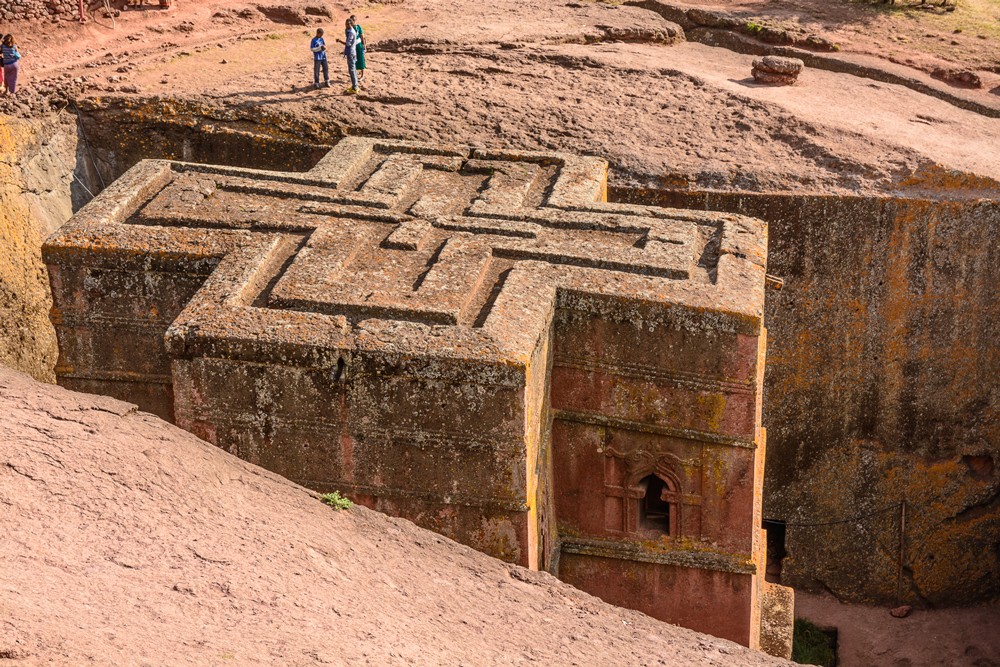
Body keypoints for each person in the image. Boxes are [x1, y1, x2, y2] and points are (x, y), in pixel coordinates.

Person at [342, 17, 359, 94]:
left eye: (348, 24)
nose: (346, 25)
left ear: (351, 24)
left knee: (351, 70)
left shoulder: (351, 32)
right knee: (353, 69)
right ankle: (355, 86)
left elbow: (348, 44)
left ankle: (355, 87)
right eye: (346, 24)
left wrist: (339, 41)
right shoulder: (351, 31)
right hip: (353, 52)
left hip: (351, 53)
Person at [350, 15, 367, 88]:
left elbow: (362, 36)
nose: (353, 22)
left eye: (354, 20)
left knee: (361, 59)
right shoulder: (349, 28)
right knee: (354, 60)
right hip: (353, 46)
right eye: (351, 20)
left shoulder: (358, 27)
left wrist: (364, 45)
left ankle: (362, 75)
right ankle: (356, 74)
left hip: (359, 45)